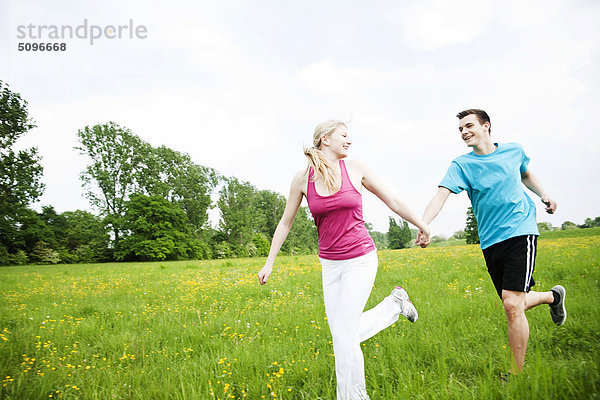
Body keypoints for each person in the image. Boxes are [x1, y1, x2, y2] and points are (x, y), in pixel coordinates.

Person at [257, 120, 430, 400]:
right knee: (342, 335)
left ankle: (354, 396)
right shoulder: (303, 179)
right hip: (330, 264)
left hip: (361, 258)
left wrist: (421, 224)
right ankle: (394, 305)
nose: (349, 141)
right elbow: (285, 222)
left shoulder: (356, 168)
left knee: (344, 333)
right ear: (326, 139)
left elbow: (392, 200)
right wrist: (269, 261)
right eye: (344, 136)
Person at [416, 109, 567, 376]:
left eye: (469, 126)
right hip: (490, 240)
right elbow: (440, 196)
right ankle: (552, 297)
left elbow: (525, 174)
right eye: (460, 129)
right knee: (513, 303)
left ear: (486, 126)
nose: (464, 132)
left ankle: (516, 374)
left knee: (511, 304)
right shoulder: (462, 165)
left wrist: (545, 195)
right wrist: (424, 225)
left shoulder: (513, 151)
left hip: (521, 229)